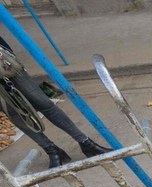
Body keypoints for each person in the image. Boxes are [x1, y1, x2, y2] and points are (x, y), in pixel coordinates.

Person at [1, 33, 111, 168]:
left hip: (4, 64)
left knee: (43, 103)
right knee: (15, 115)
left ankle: (86, 143)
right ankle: (52, 151)